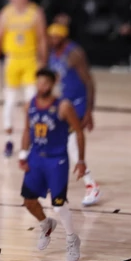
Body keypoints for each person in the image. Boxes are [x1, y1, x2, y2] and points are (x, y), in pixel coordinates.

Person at [18, 68, 85, 261]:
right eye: (39, 82)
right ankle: (46, 224)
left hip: (57, 160)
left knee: (58, 204)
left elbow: (79, 132)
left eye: (45, 83)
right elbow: (26, 130)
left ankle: (72, 239)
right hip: (36, 158)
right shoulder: (29, 105)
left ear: (52, 84)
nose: (41, 86)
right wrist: (23, 155)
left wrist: (81, 161)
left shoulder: (63, 106)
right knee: (28, 201)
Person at [0, 0, 48, 158]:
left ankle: (31, 140)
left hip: (30, 60)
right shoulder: (5, 14)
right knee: (9, 102)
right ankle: (8, 139)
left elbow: (42, 38)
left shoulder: (35, 13)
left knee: (31, 102)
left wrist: (44, 61)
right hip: (12, 60)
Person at [48, 23, 101, 206]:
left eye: (56, 37)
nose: (53, 40)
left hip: (78, 103)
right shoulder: (52, 53)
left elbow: (89, 82)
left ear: (64, 37)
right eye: (51, 36)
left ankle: (91, 185)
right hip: (64, 103)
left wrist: (89, 111)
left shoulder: (74, 53)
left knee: (71, 144)